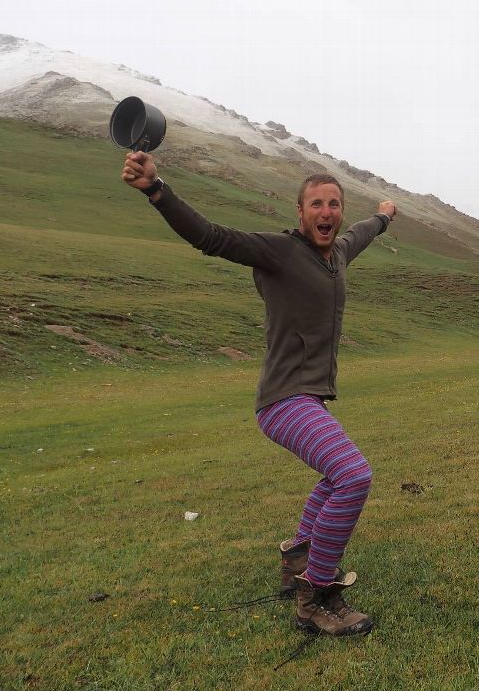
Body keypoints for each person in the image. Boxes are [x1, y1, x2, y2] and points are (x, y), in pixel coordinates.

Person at [121, 149, 396, 638]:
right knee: (352, 475)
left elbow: (364, 234)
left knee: (336, 477)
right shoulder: (280, 251)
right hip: (283, 400)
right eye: (316, 204)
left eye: (334, 204)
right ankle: (317, 596)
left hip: (305, 398)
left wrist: (383, 216)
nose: (327, 212)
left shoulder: (338, 255)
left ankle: (297, 559)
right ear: (300, 211)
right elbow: (211, 237)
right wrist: (156, 190)